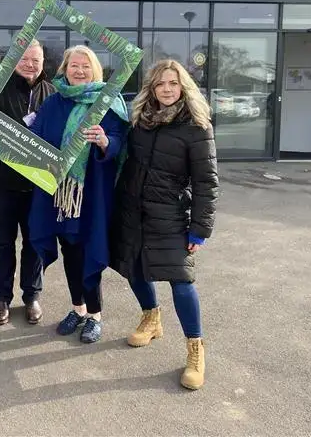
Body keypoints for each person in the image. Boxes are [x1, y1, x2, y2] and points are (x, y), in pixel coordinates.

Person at [109, 59, 218, 390]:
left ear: (183, 86)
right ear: (151, 89)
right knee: (135, 270)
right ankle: (151, 317)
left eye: (173, 83)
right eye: (160, 84)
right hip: (133, 211)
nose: (167, 89)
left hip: (170, 216)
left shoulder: (197, 127)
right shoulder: (140, 122)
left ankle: (195, 350)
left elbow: (206, 183)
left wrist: (200, 228)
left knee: (181, 282)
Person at [27, 45, 129, 344]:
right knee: (70, 249)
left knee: (89, 248)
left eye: (86, 66)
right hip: (59, 195)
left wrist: (105, 141)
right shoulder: (54, 103)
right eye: (74, 65)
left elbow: (122, 139)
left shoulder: (107, 102)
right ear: (65, 69)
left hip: (92, 192)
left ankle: (95, 316)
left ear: (95, 70)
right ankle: (78, 308)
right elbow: (37, 140)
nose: (80, 70)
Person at [0, 40, 55, 326]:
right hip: (3, 183)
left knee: (34, 244)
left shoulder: (52, 93)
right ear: (14, 60)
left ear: (43, 61)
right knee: (3, 243)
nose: (30, 65)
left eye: (36, 60)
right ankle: (2, 298)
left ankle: (31, 296)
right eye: (25, 59)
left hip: (37, 188)